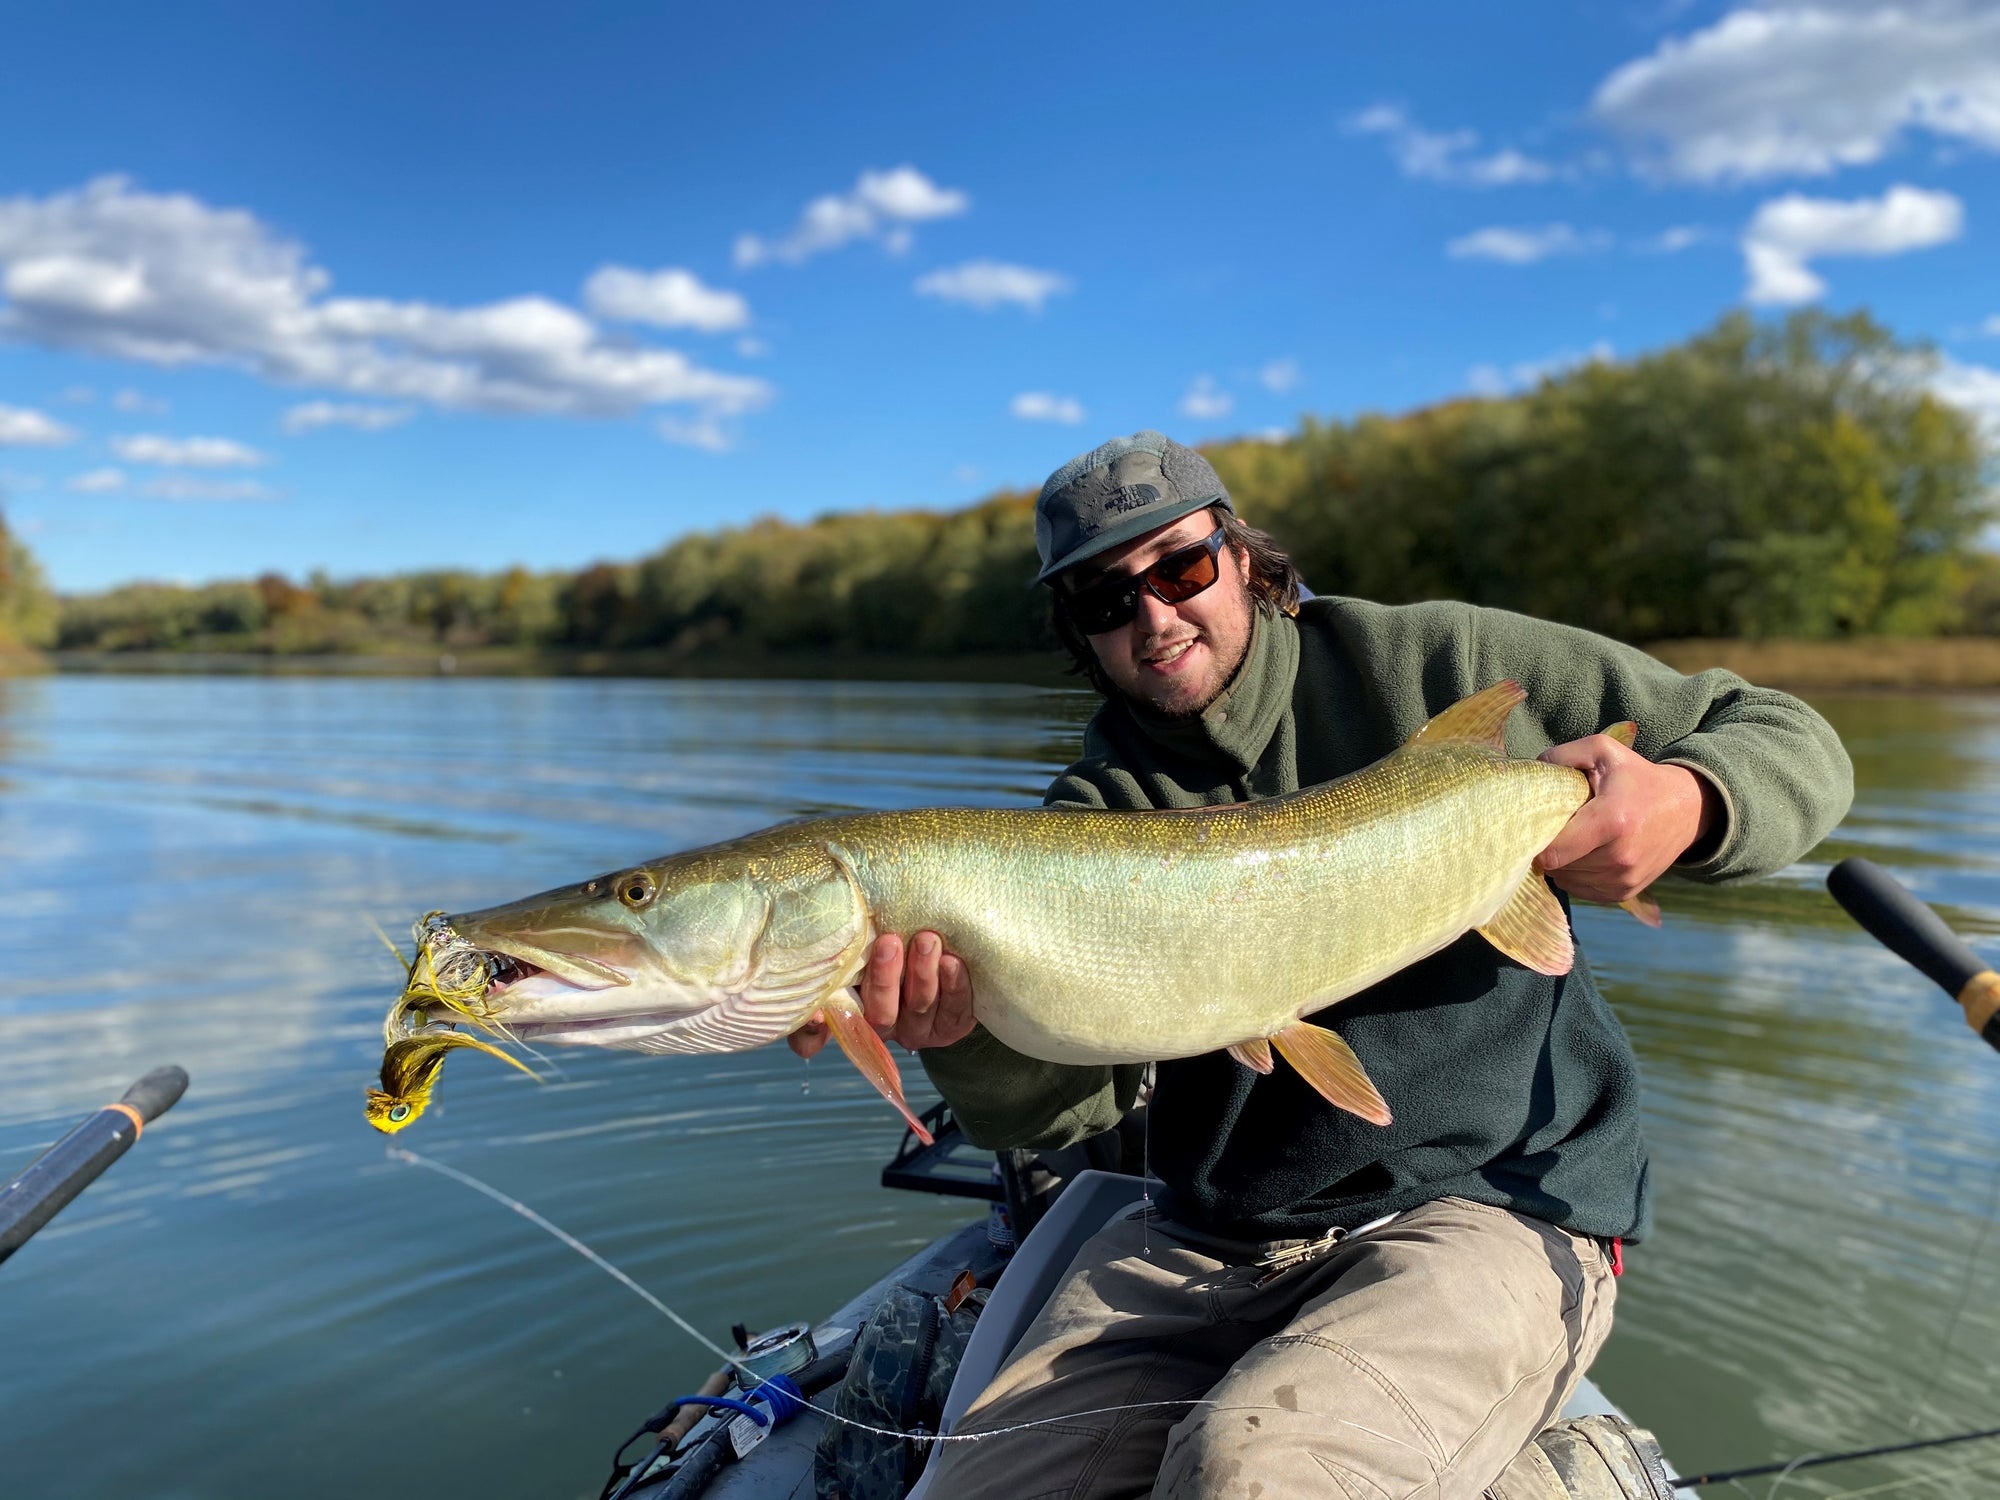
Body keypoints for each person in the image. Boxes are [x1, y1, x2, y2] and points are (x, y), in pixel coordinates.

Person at [790, 431, 1854, 1499]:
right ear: (1078, 632)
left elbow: (1783, 734)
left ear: (1243, 555)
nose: (1153, 616)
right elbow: (1067, 1114)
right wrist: (962, 1037)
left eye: (1179, 569)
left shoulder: (1441, 663)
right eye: (1105, 602)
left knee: (1253, 1471)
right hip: (1210, 1238)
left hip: (1483, 1204)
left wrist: (1689, 800)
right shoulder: (1095, 813)